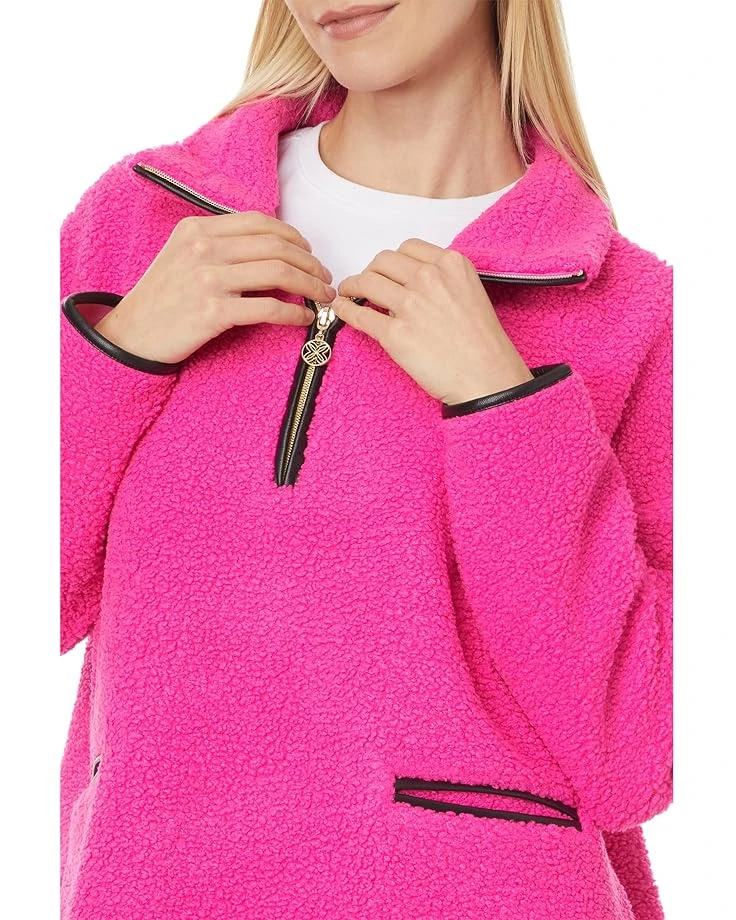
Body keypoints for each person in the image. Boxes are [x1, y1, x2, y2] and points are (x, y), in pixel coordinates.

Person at [59, 1, 673, 918]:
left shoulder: (632, 311)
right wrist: (123, 349)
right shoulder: (146, 222)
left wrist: (504, 403)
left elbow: (641, 751)